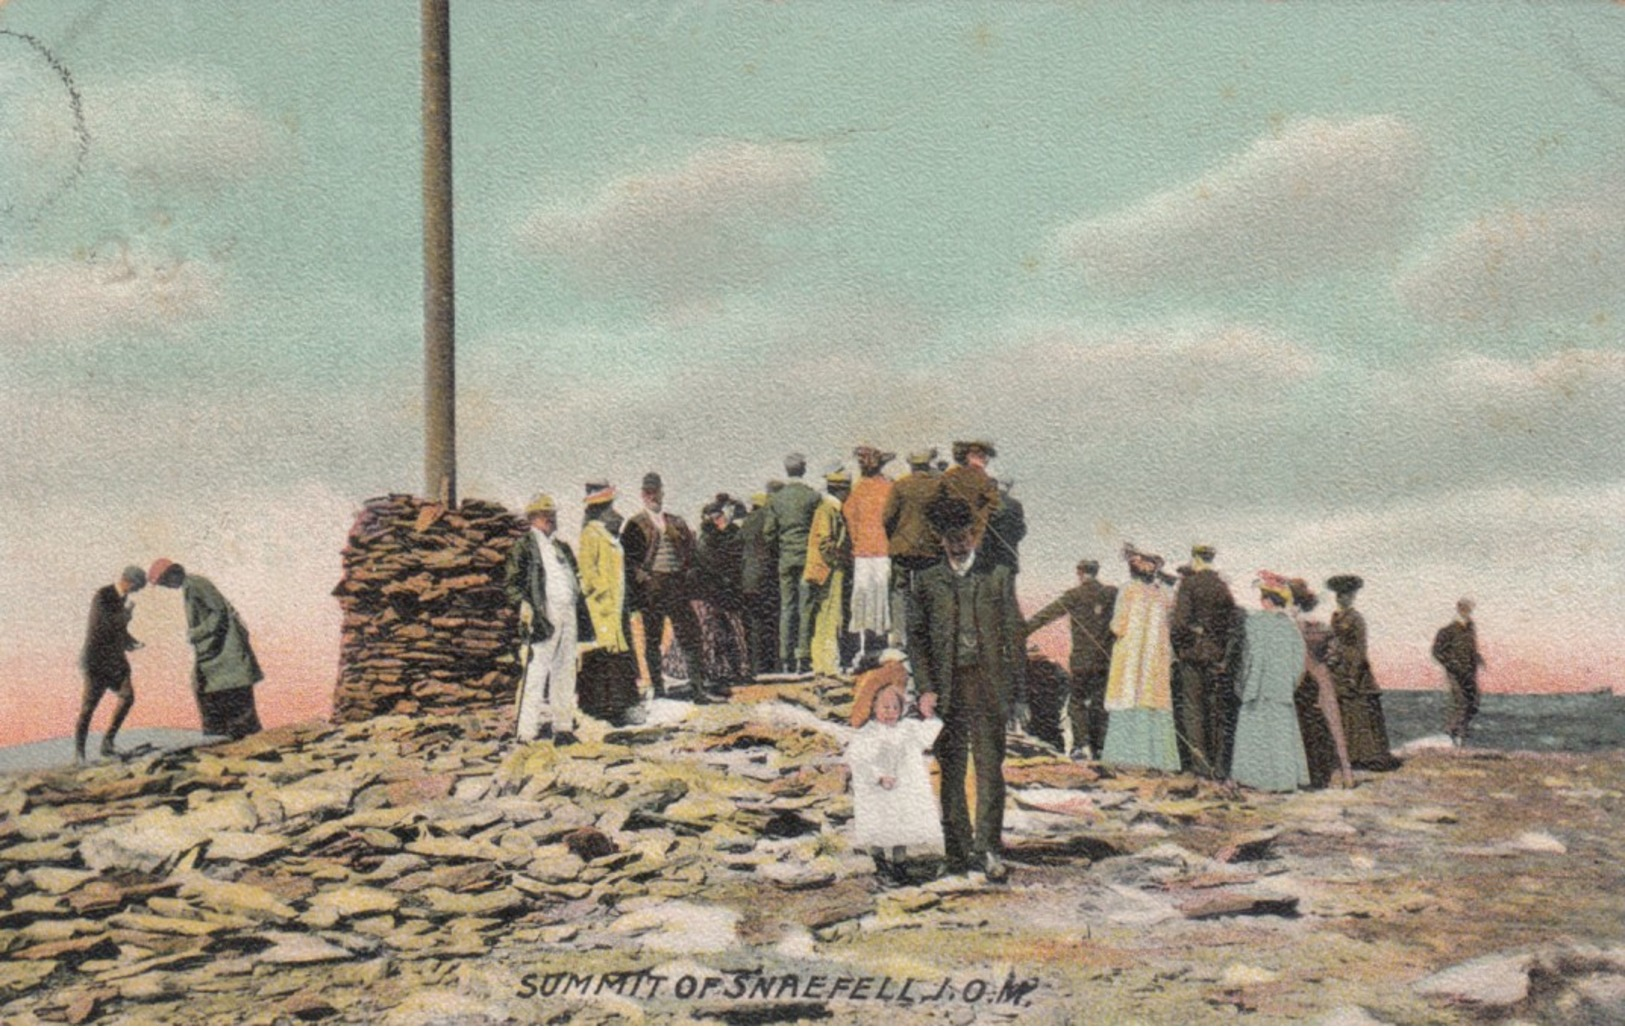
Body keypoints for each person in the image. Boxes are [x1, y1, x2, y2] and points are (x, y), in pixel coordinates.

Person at [906, 495, 1028, 882]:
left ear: (975, 535)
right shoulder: (926, 582)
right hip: (947, 689)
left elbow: (1015, 636)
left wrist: (1019, 694)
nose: (959, 543)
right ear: (941, 539)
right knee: (952, 769)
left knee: (990, 769)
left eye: (965, 535)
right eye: (951, 537)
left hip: (989, 685)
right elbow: (917, 640)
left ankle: (988, 848)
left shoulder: (998, 576)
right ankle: (956, 853)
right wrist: (925, 688)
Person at [503, 494, 595, 744]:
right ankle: (525, 731)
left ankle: (563, 728)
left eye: (552, 513)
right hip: (543, 615)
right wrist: (523, 605)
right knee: (536, 672)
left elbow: (574, 575)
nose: (551, 518)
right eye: (546, 514)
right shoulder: (524, 546)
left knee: (565, 671)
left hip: (568, 614)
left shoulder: (561, 547)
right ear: (534, 517)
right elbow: (511, 583)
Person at [845, 656, 944, 888]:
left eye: (895, 707)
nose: (890, 712)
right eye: (885, 707)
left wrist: (932, 719)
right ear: (874, 708)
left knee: (900, 828)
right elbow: (860, 758)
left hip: (900, 790)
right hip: (877, 791)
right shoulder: (868, 733)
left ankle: (900, 865)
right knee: (878, 827)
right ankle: (880, 864)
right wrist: (878, 775)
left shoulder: (906, 729)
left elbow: (926, 735)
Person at [620, 472, 717, 701]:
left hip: (677, 585)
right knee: (652, 638)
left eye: (656, 491)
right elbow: (629, 561)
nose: (653, 495)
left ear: (662, 492)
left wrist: (689, 574)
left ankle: (697, 687)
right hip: (652, 589)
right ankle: (659, 689)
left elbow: (692, 553)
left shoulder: (676, 522)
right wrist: (644, 578)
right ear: (643, 495)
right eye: (648, 492)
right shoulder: (635, 524)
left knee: (690, 634)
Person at [149, 558, 264, 740]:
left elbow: (218, 611)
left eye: (163, 582)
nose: (165, 586)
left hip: (225, 653)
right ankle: (223, 739)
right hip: (218, 653)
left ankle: (233, 741)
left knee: (231, 696)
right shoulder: (190, 586)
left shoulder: (195, 584)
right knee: (211, 691)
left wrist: (196, 633)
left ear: (172, 574)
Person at [1025, 558, 1117, 761]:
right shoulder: (1111, 593)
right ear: (1096, 571)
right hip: (1104, 659)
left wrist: (1021, 630)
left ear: (1080, 573)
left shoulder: (1074, 595)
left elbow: (1045, 616)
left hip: (1081, 660)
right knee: (1099, 703)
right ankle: (1100, 747)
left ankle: (1080, 746)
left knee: (1076, 702)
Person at [1100, 546, 1180, 773]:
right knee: (1153, 701)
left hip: (1130, 657)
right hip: (1156, 658)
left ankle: (1127, 758)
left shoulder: (1127, 590)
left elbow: (1118, 626)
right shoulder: (1165, 594)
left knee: (1129, 698)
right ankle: (1157, 760)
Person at [1229, 572, 1311, 792]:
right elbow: (1298, 663)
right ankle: (1284, 781)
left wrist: (1242, 682)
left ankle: (1255, 779)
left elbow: (1247, 656)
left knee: (1256, 732)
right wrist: (1290, 684)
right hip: (1281, 689)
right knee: (1281, 734)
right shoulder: (1290, 627)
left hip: (1257, 686)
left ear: (1265, 600)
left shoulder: (1253, 622)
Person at [575, 483, 640, 726]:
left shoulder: (607, 533)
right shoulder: (591, 534)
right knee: (603, 655)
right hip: (601, 606)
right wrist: (602, 591)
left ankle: (619, 705)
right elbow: (587, 572)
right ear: (600, 509)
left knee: (618, 654)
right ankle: (602, 707)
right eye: (609, 506)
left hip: (615, 604)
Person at [1170, 544, 1237, 779]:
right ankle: (1219, 767)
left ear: (1196, 559)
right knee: (1215, 712)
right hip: (1216, 656)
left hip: (1193, 655)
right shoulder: (1222, 587)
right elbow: (1232, 623)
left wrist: (1182, 645)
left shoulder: (1189, 584)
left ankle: (1200, 766)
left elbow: (1178, 624)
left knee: (1193, 710)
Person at [1326, 575, 1399, 770]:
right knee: (1344, 711)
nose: (1343, 598)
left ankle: (1368, 755)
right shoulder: (1335, 616)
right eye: (1340, 595)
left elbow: (1360, 648)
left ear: (1352, 597)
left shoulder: (1356, 618)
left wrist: (1353, 674)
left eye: (1348, 595)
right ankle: (1349, 755)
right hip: (1337, 667)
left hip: (1354, 669)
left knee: (1360, 711)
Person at [76, 565, 147, 763]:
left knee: (127, 697)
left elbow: (118, 630)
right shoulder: (103, 595)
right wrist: (126, 616)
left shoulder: (122, 598)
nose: (136, 591)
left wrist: (131, 641)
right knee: (88, 708)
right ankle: (79, 754)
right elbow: (103, 625)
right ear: (128, 581)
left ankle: (107, 743)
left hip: (115, 661)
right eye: (137, 587)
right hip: (96, 662)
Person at [1289, 578, 1355, 790]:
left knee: (1299, 725)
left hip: (1299, 676)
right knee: (1334, 725)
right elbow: (1336, 653)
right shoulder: (1323, 626)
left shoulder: (1294, 625)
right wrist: (1324, 663)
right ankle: (1347, 775)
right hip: (1322, 674)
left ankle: (1303, 775)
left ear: (1295, 603)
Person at [763, 454, 823, 675]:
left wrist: (780, 548)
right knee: (806, 607)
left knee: (787, 607)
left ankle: (785, 657)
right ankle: (803, 656)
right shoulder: (813, 497)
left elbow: (769, 532)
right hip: (807, 558)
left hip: (786, 559)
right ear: (804, 469)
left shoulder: (776, 499)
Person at [882, 448, 943, 647]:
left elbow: (887, 517)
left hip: (902, 547)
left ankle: (899, 636)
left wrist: (895, 537)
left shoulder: (900, 485)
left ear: (911, 465)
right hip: (930, 548)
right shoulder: (939, 486)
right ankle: (924, 636)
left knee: (899, 591)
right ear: (928, 464)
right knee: (927, 592)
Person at [694, 493, 752, 688]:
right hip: (715, 594)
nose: (723, 519)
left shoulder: (722, 535)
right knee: (716, 635)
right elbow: (715, 565)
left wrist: (736, 504)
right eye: (719, 517)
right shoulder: (708, 539)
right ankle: (718, 672)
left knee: (729, 633)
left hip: (722, 593)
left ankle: (732, 671)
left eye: (723, 515)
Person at [843, 445, 895, 655]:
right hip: (883, 550)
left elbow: (849, 517)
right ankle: (880, 643)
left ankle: (865, 645)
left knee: (862, 599)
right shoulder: (889, 487)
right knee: (881, 597)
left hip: (862, 552)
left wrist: (855, 542)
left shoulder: (858, 490)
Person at [805, 469, 853, 676]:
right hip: (830, 570)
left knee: (825, 617)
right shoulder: (828, 510)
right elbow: (826, 543)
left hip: (827, 569)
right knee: (831, 617)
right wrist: (840, 562)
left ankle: (823, 663)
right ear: (842, 490)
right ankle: (827, 664)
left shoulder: (828, 508)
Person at [1432, 598, 1484, 747]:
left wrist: (1477, 658)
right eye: (1465, 608)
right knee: (1461, 702)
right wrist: (1451, 664)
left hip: (1469, 672)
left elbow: (1471, 648)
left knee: (1473, 703)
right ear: (1459, 608)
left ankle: (1457, 734)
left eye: (1470, 608)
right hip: (1455, 673)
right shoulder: (1448, 630)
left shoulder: (1470, 627)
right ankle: (1454, 735)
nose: (1468, 611)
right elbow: (1437, 652)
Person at [739, 490, 779, 677]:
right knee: (772, 622)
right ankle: (774, 665)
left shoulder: (747, 522)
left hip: (748, 580)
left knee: (754, 624)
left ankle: (757, 666)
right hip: (769, 578)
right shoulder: (770, 518)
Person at [939, 440, 1002, 548]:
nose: (985, 460)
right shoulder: (984, 478)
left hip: (947, 529)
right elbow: (994, 504)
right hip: (974, 532)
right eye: (982, 456)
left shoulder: (949, 475)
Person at [983, 477, 1027, 573]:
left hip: (987, 559)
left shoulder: (984, 503)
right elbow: (1022, 530)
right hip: (1008, 557)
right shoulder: (1015, 504)